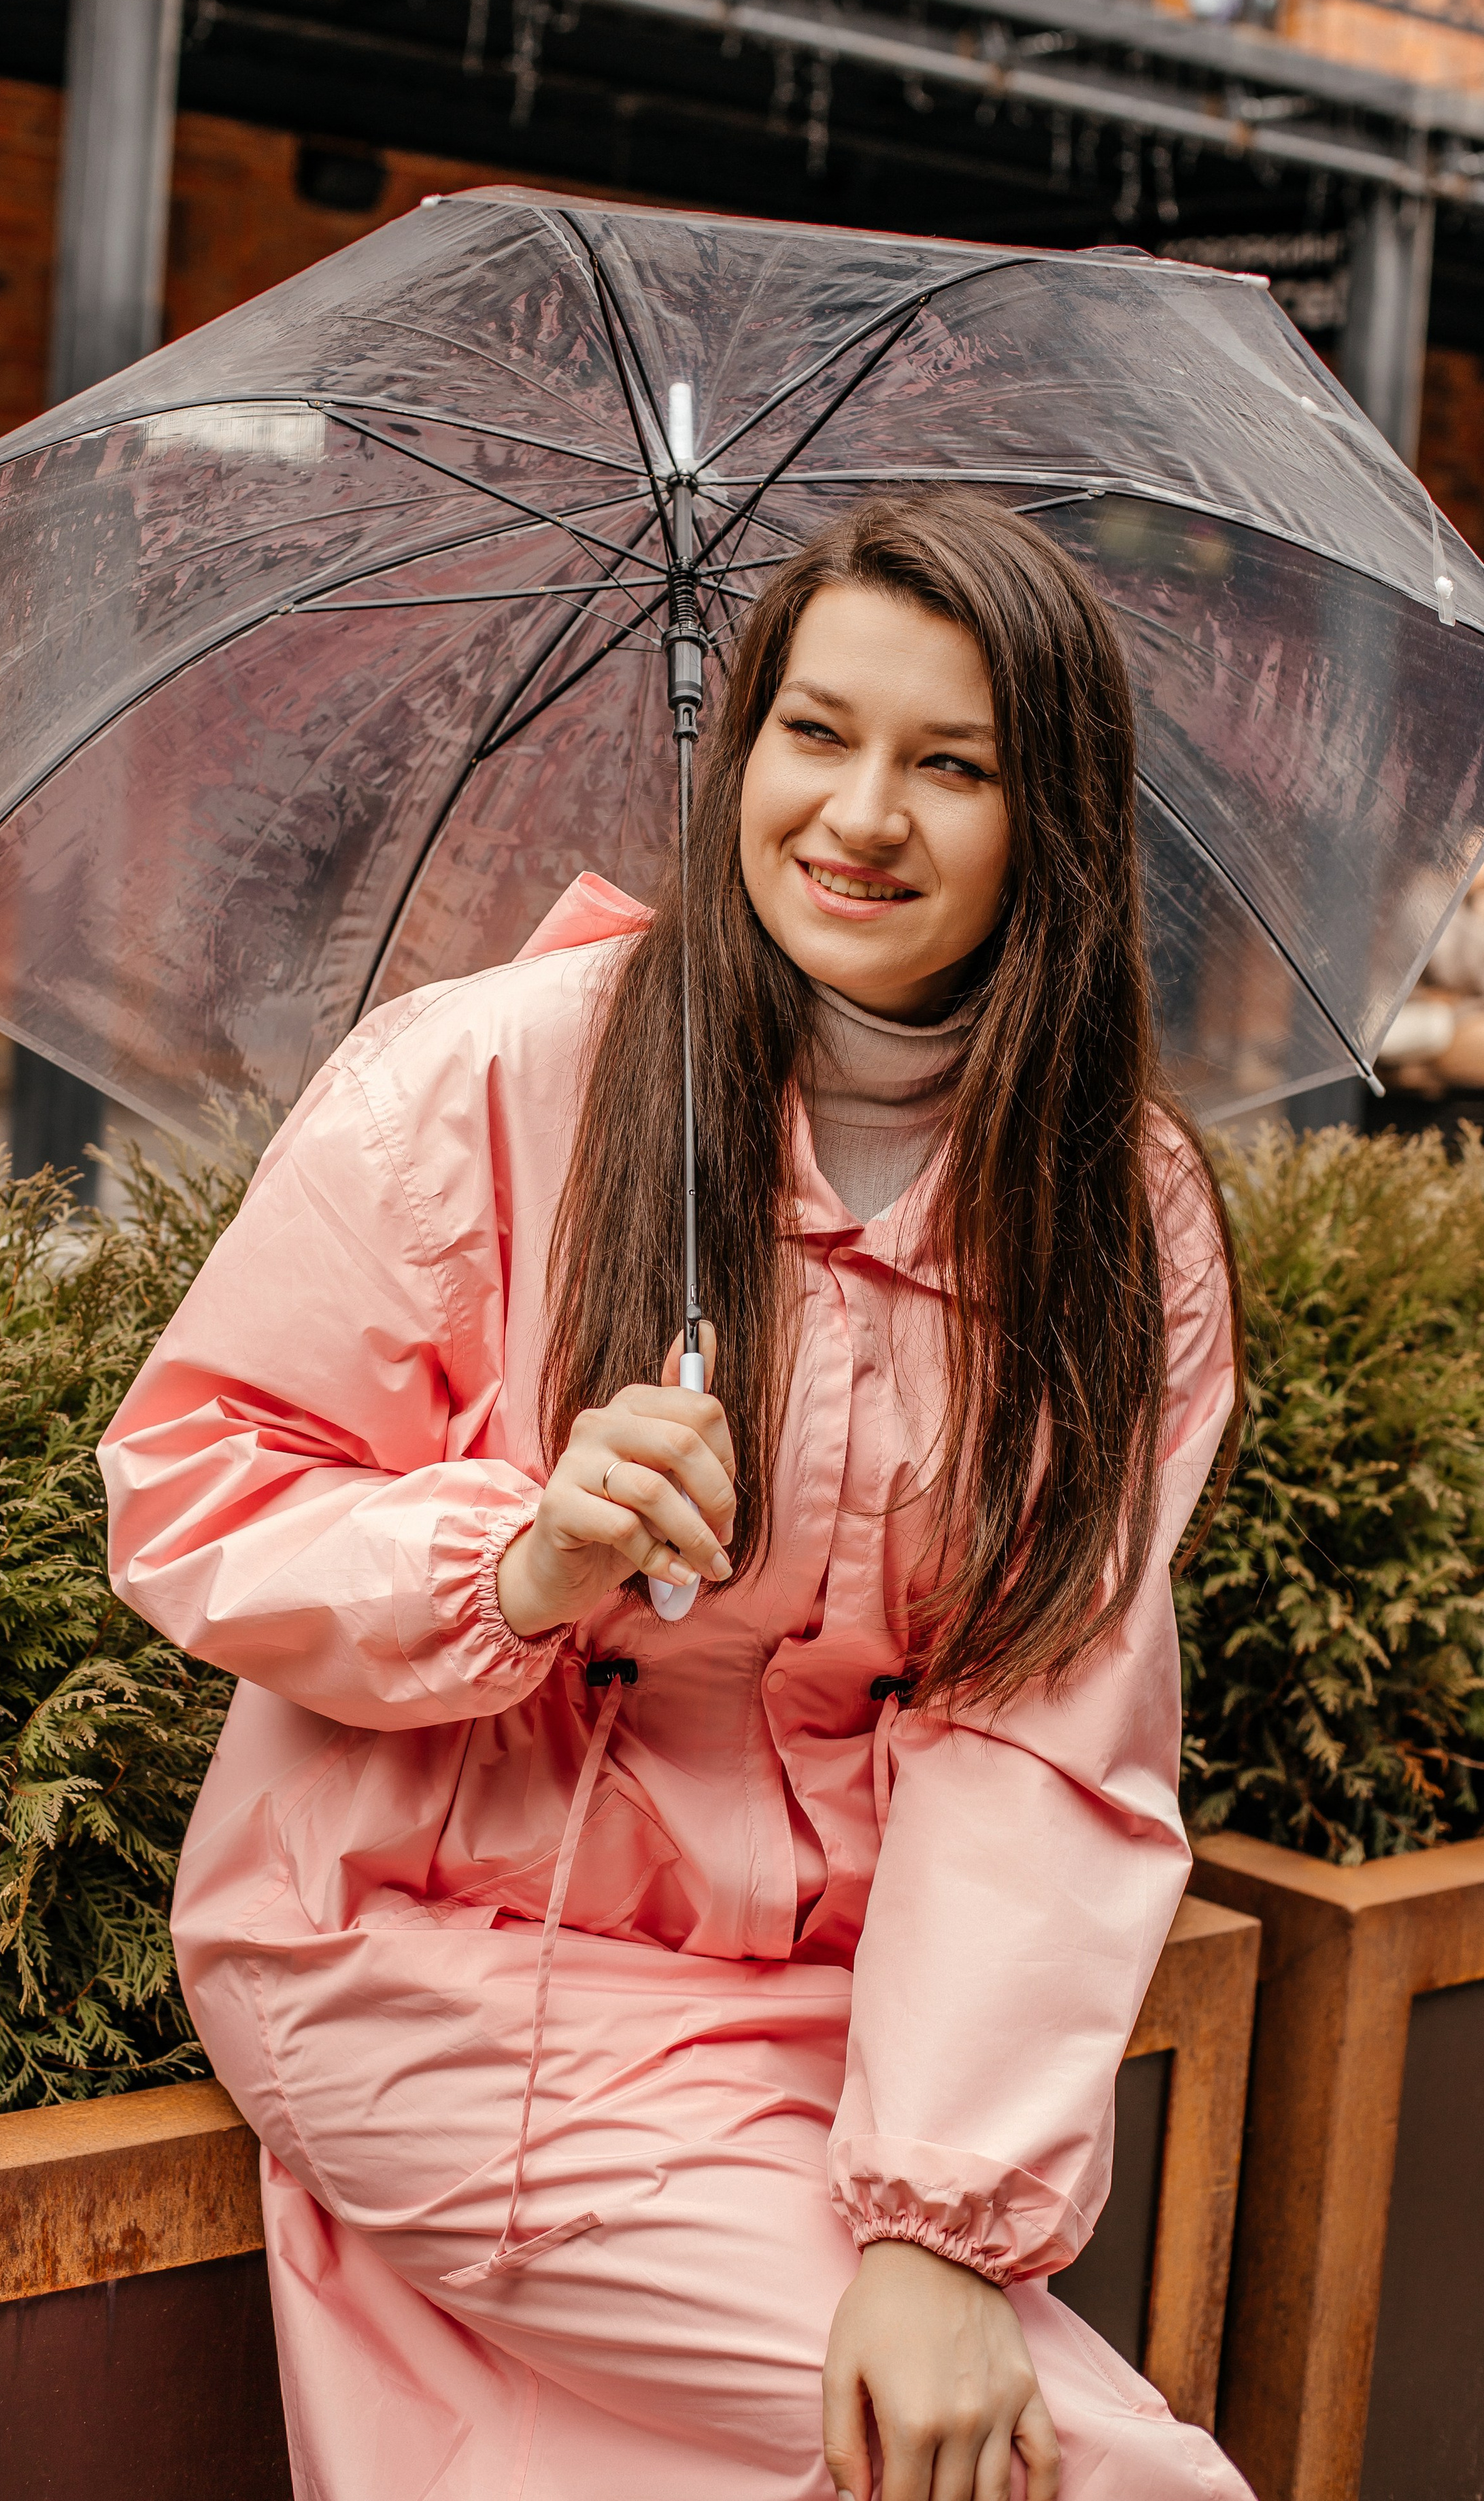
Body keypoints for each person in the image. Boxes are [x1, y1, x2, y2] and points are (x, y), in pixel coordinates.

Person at [100, 491, 1250, 2501]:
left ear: (1049, 816)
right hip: (433, 1961)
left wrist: (938, 2221)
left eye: (950, 763)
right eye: (816, 735)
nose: (861, 816)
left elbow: (1042, 1732)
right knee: (1104, 2483)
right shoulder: (483, 1081)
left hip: (833, 2017)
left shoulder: (1115, 1217)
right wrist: (517, 1555)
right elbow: (196, 1490)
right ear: (745, 748)